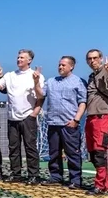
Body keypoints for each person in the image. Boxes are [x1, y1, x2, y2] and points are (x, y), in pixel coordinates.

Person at [0, 49, 44, 184]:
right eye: (18, 57)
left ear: (29, 60)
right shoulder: (10, 75)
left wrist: (34, 113)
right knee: (14, 148)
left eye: (22, 57)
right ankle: (16, 173)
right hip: (12, 117)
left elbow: (41, 96)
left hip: (28, 117)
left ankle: (33, 175)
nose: (19, 59)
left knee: (30, 147)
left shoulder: (36, 75)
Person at [34, 57, 86, 188]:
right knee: (54, 153)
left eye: (63, 65)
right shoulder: (51, 81)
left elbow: (83, 102)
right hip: (53, 123)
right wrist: (36, 82)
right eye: (59, 65)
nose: (60, 67)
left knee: (73, 153)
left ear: (71, 67)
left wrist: (76, 120)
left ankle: (75, 180)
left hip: (69, 124)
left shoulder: (78, 82)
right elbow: (41, 95)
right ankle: (56, 177)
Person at [84, 50, 108, 195]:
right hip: (91, 118)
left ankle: (99, 185)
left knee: (100, 152)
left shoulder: (106, 71)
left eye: (95, 58)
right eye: (89, 58)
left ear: (100, 58)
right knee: (94, 154)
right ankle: (106, 184)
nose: (92, 61)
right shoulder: (91, 76)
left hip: (103, 118)